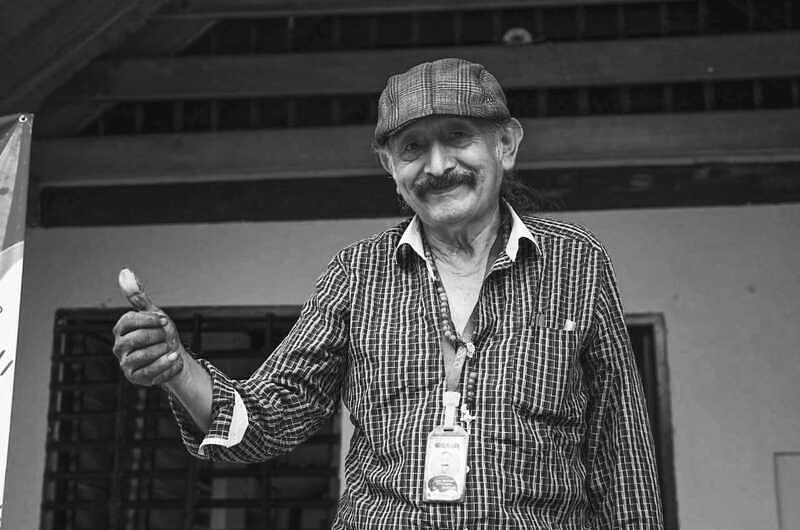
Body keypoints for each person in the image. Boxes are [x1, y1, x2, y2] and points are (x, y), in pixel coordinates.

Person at [112, 58, 664, 528]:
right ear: (390, 168)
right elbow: (269, 419)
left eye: (458, 137)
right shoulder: (358, 273)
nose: (438, 165)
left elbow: (623, 451)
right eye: (412, 148)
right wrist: (177, 366)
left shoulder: (575, 262)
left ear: (507, 144)